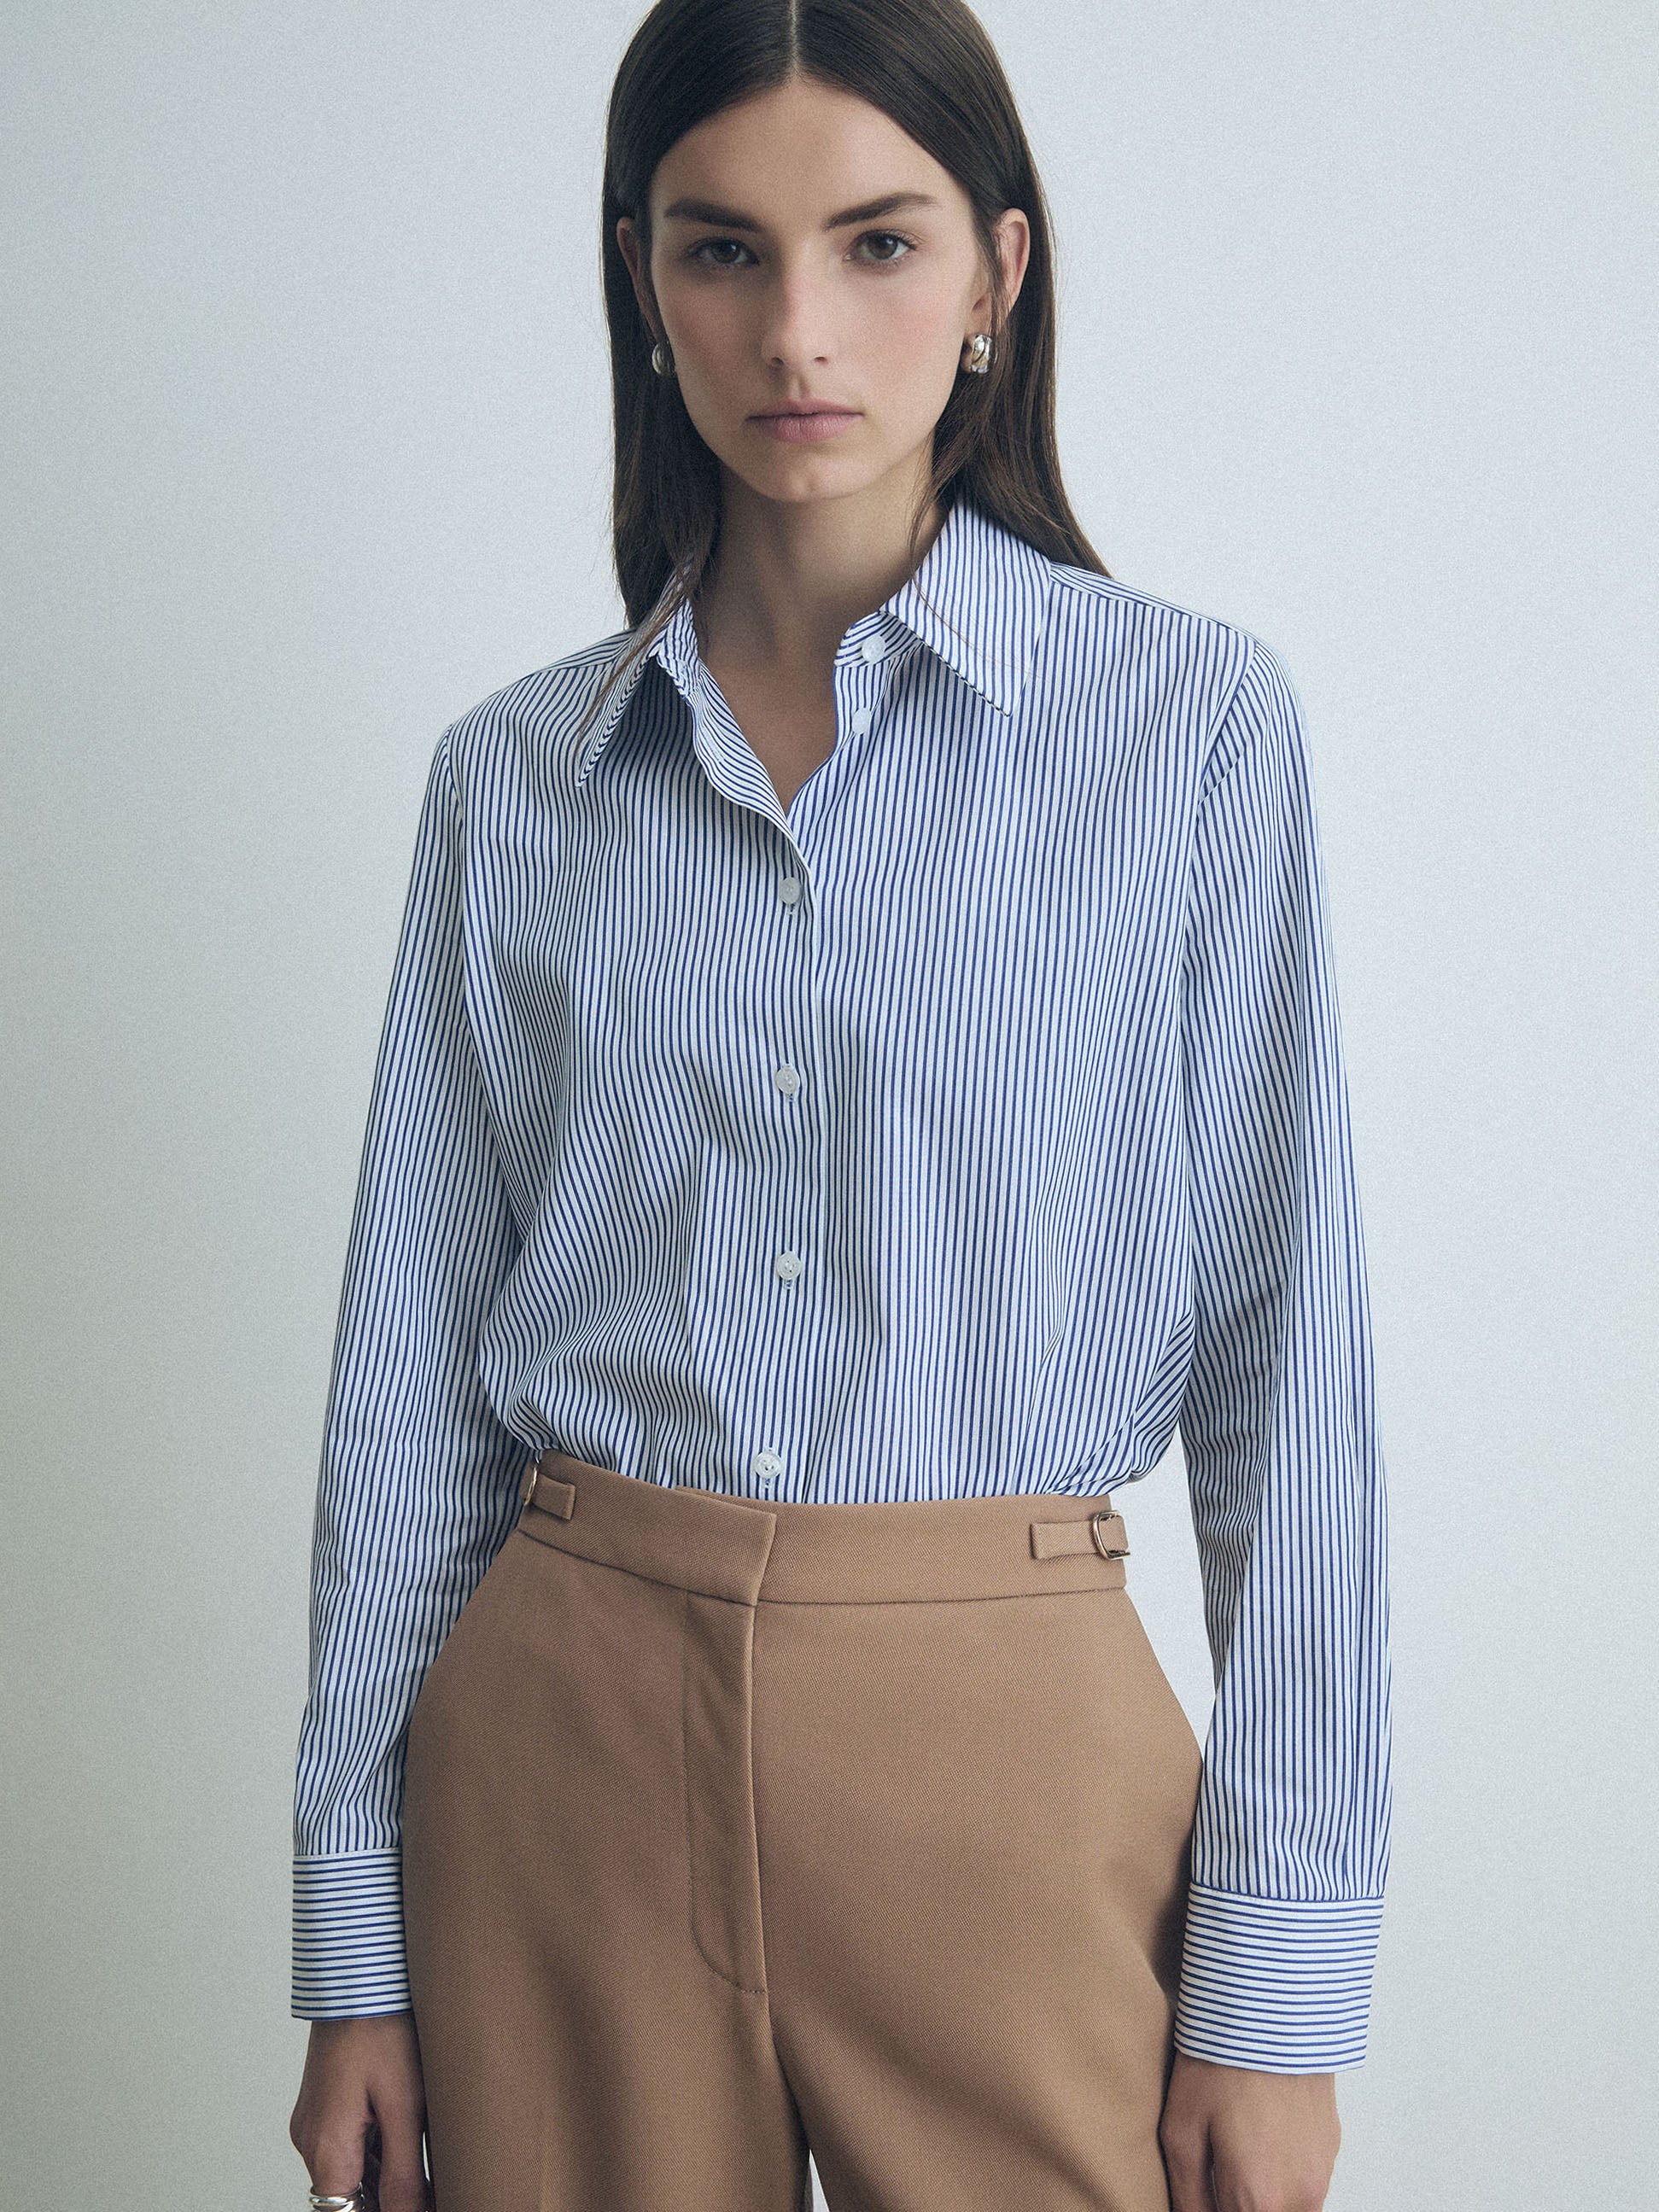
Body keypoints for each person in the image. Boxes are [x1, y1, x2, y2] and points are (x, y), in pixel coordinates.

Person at [287, 3, 1392, 2208]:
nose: (798, 329)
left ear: (996, 274)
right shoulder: (513, 782)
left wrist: (1281, 1977)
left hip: (1011, 1772)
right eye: (721, 252)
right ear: (640, 280)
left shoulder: (1186, 732)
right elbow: (409, 1378)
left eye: (876, 245)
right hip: (560, 1758)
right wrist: (354, 1939)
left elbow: (1292, 1358)